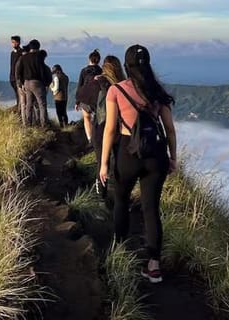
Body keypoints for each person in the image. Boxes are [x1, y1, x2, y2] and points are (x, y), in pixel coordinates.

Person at [99, 45, 177, 284]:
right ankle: (154, 266)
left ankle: (120, 253)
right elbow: (170, 129)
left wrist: (103, 164)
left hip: (127, 154)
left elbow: (110, 130)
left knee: (121, 201)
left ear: (126, 66)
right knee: (151, 209)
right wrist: (173, 157)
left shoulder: (116, 91)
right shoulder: (157, 91)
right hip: (156, 154)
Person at [91, 56, 126, 199]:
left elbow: (81, 96)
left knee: (101, 163)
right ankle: (120, 195)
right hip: (120, 130)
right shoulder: (124, 85)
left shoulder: (97, 83)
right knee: (119, 162)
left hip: (100, 128)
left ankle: (101, 197)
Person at [16, 39, 51, 128]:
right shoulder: (39, 57)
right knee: (42, 104)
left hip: (26, 83)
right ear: (38, 47)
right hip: (37, 83)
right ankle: (44, 125)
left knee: (29, 105)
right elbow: (42, 71)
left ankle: (28, 125)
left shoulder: (23, 57)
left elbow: (18, 71)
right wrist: (46, 84)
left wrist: (21, 84)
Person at [75, 49, 103, 142]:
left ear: (89, 59)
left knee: (86, 118)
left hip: (84, 98)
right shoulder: (101, 71)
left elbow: (80, 85)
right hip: (97, 99)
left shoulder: (84, 71)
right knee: (97, 119)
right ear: (98, 60)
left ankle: (90, 139)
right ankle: (98, 137)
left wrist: (77, 101)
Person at [9, 35, 23, 109]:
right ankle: (19, 108)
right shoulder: (12, 53)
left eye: (14, 42)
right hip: (12, 77)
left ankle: (20, 110)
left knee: (20, 95)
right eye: (12, 42)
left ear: (18, 43)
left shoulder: (22, 53)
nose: (13, 44)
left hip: (18, 78)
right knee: (17, 94)